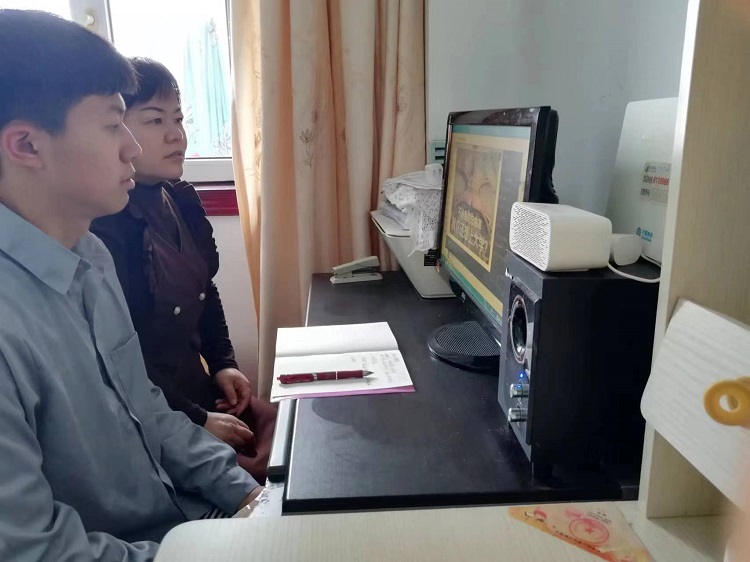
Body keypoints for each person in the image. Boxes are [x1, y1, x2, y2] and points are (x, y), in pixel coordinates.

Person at [0, 10, 262, 561]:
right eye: (112, 123)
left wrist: (249, 499)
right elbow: (34, 550)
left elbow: (147, 409)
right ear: (26, 145)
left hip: (181, 519)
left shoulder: (89, 256)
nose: (133, 148)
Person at [91, 58, 276, 481]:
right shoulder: (107, 229)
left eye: (178, 119)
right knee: (275, 476)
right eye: (155, 120)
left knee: (299, 433)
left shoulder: (179, 199)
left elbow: (205, 291)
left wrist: (223, 363)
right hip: (160, 417)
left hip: (201, 395)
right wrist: (197, 419)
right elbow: (123, 359)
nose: (176, 134)